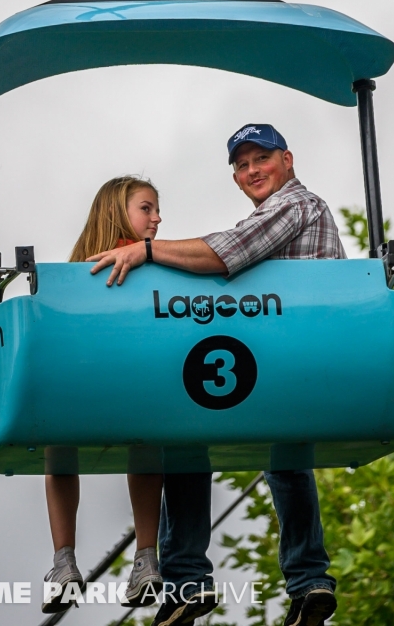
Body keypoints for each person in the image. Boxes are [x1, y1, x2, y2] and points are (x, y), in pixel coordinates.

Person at [89, 124, 347, 626]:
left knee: (188, 438)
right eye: (242, 164)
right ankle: (308, 582)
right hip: (292, 358)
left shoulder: (296, 206)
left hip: (291, 348)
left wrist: (144, 252)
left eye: (261, 159)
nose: (252, 171)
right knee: (286, 458)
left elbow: (226, 253)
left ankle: (188, 579)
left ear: (288, 160)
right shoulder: (282, 212)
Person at [42, 176, 165, 614]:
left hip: (85, 384)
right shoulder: (152, 265)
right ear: (118, 212)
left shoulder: (75, 272)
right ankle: (146, 558)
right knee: (146, 445)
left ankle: (64, 561)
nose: (157, 218)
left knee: (59, 451)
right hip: (136, 382)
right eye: (147, 209)